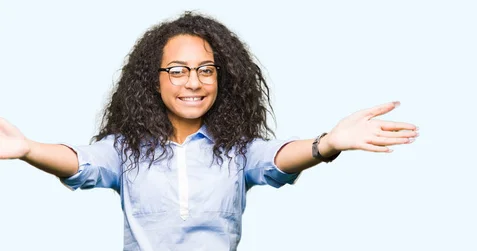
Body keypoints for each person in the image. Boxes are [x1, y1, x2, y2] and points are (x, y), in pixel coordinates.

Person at [0, 11, 418, 251]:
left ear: (223, 78)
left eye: (206, 70)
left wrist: (326, 144)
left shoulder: (237, 150)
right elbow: (81, 162)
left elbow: (276, 160)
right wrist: (26, 148)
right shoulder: (126, 150)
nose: (193, 83)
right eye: (178, 71)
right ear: (155, 79)